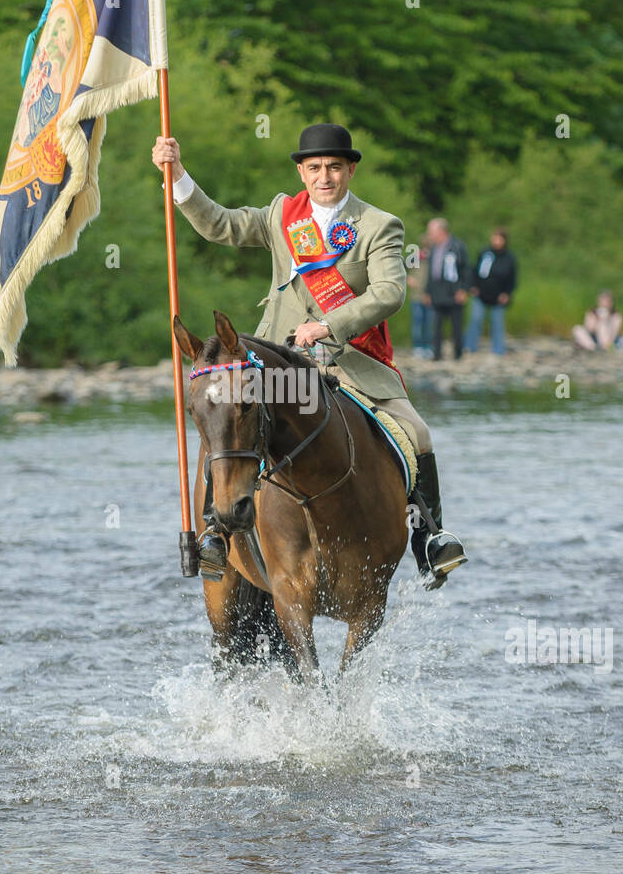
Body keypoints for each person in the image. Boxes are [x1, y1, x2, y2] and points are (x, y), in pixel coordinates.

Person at [152, 123, 467, 588]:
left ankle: (429, 540)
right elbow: (221, 224)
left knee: (417, 433)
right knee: (225, 419)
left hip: (352, 361)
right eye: (315, 167)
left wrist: (328, 324)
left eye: (335, 167)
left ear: (350, 170)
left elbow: (390, 292)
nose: (325, 177)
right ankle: (217, 532)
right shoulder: (283, 213)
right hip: (281, 363)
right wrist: (176, 173)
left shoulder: (379, 225)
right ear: (302, 171)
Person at [465, 228, 518, 355]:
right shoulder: (485, 253)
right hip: (481, 293)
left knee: (497, 323)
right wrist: (473, 286)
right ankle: (469, 346)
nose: (496, 241)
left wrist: (507, 293)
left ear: (504, 241)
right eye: (494, 238)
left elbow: (512, 279)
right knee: (476, 319)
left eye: (499, 238)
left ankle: (498, 349)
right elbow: (474, 271)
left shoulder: (509, 258)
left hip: (498, 296)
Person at [425, 217, 472, 360]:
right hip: (438, 292)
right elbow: (431, 272)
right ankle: (437, 353)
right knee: (436, 325)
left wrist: (464, 289)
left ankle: (458, 354)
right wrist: (428, 292)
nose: (429, 235)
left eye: (431, 231)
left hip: (454, 291)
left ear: (441, 231)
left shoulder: (457, 246)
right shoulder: (433, 248)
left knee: (456, 325)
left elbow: (466, 270)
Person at [407, 237, 433, 356]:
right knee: (417, 322)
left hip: (430, 297)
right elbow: (404, 269)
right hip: (417, 296)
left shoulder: (434, 258)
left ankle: (428, 346)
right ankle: (418, 346)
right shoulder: (415, 256)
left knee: (429, 322)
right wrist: (408, 278)